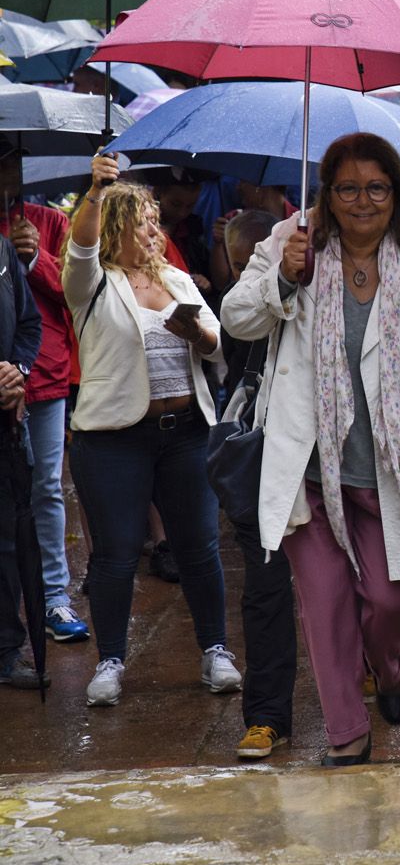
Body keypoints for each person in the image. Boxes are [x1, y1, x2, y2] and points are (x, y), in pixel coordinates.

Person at [220, 132, 400, 766]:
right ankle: (346, 732)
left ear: (396, 193)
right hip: (310, 468)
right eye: (347, 188)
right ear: (327, 194)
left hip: (390, 471)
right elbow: (236, 319)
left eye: (375, 187)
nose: (361, 201)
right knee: (326, 606)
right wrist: (283, 277)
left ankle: (387, 663)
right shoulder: (292, 245)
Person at [63, 155, 239, 708]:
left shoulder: (177, 278)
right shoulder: (90, 283)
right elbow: (82, 247)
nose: (152, 231)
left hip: (185, 431)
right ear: (117, 227)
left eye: (153, 222)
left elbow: (217, 345)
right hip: (115, 437)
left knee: (199, 548)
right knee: (115, 554)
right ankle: (111, 660)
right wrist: (96, 190)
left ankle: (216, 653)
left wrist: (199, 334)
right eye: (140, 222)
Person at [212, 209, 303, 761]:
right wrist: (282, 278)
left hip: (339, 454)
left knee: (359, 579)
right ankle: (267, 715)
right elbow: (236, 321)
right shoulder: (269, 267)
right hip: (266, 451)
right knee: (267, 585)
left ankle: (372, 664)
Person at [0, 147, 86, 644]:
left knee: (46, 489)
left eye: (16, 161)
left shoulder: (49, 221)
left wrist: (36, 258)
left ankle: (54, 596)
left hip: (45, 377)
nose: (11, 170)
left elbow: (75, 295)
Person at [0, 223, 42, 690]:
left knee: (8, 537)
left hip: (6, 421)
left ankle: (6, 649)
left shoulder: (2, 250)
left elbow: (30, 323)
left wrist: (17, 370)